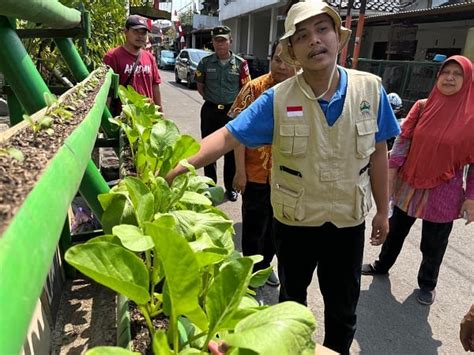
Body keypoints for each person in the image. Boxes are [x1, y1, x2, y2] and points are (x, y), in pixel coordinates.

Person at [166, 1, 400, 353]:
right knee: (292, 304)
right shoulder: (277, 99)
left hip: (347, 222)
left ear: (339, 37)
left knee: (343, 311)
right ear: (292, 50)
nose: (314, 41)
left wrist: (383, 211)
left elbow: (379, 152)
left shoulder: (370, 90)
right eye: (302, 36)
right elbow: (229, 136)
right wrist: (181, 165)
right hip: (295, 222)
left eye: (323, 30)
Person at [362, 55, 474, 306]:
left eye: (458, 74)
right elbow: (402, 142)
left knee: (434, 242)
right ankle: (382, 265)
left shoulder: (472, 119)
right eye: (446, 73)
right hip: (410, 181)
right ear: (438, 76)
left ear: (467, 82)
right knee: (396, 229)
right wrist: (390, 174)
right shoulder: (423, 106)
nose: (450, 78)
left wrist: (471, 198)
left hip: (445, 188)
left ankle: (427, 284)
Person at [228, 40, 297, 293]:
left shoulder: (302, 93)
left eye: (289, 61)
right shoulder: (253, 89)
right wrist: (240, 172)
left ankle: (265, 268)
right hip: (255, 174)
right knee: (254, 228)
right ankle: (249, 273)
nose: (282, 66)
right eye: (277, 59)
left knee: (277, 229)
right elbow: (237, 135)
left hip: (288, 178)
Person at [195, 26, 251, 202]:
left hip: (231, 112)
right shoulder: (205, 63)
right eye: (217, 40)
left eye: (223, 40)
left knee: (231, 153)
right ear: (212, 42)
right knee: (208, 152)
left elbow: (245, 89)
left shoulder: (241, 64)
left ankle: (231, 188)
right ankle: (210, 188)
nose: (220, 43)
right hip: (210, 111)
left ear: (230, 41)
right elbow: (200, 86)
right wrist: (213, 100)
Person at [104, 15, 163, 115]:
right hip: (124, 119)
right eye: (135, 31)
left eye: (143, 33)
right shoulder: (112, 56)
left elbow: (155, 86)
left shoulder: (149, 57)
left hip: (147, 118)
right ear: (126, 32)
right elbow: (106, 92)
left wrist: (160, 114)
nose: (140, 36)